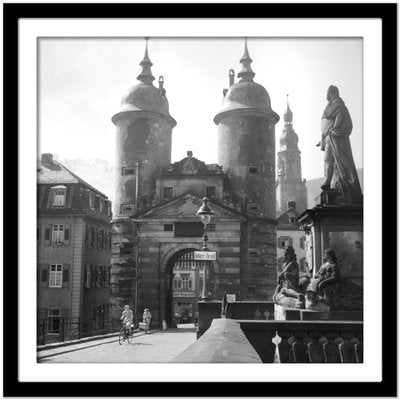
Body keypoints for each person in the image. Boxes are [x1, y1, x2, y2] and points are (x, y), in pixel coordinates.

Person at [316, 85, 362, 204]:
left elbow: (342, 118)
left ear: (332, 93)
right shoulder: (329, 106)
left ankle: (330, 182)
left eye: (327, 92)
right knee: (328, 161)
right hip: (327, 138)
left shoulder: (339, 105)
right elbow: (326, 123)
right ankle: (329, 182)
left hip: (334, 137)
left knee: (332, 161)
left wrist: (334, 130)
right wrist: (323, 137)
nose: (325, 94)